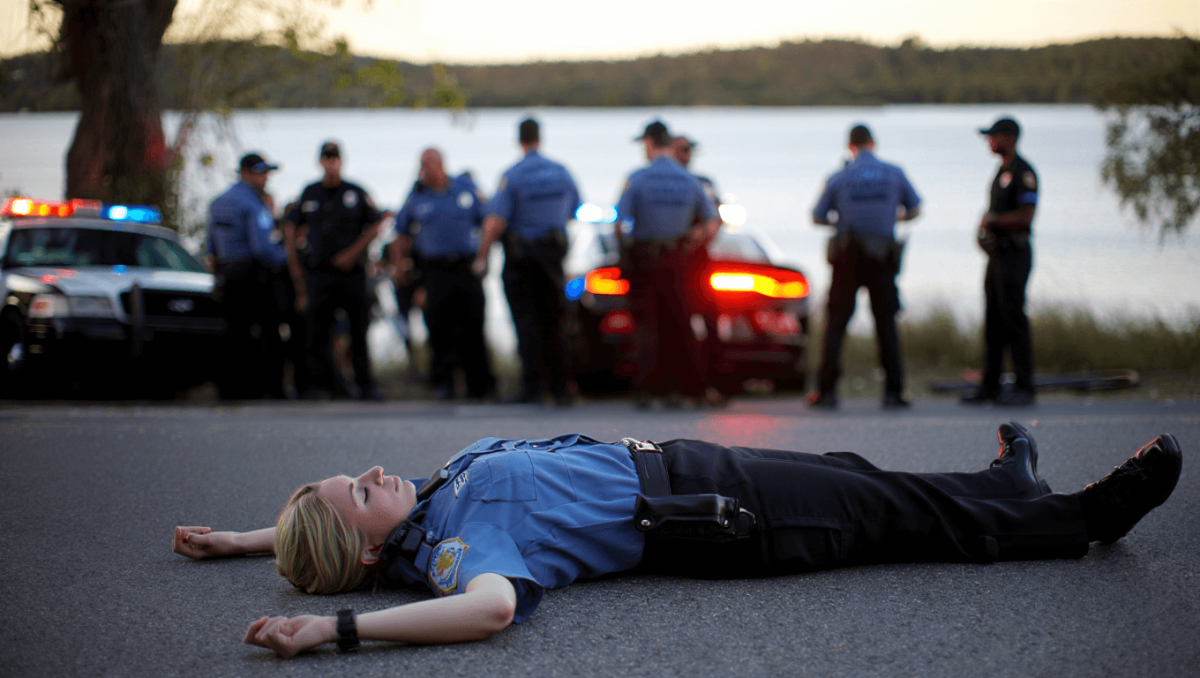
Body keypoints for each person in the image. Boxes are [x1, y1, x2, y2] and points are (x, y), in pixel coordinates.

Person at [172, 422, 1184, 658]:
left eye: (360, 474)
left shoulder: (427, 504)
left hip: (698, 468)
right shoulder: (456, 551)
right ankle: (1079, 523)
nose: (376, 475)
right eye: (362, 495)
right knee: (896, 518)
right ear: (364, 557)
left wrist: (240, 540)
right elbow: (488, 610)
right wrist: (340, 632)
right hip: (726, 519)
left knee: (867, 479)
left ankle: (1007, 484)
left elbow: (325, 536)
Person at [808, 124, 921, 410]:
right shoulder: (894, 172)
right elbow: (915, 208)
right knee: (886, 324)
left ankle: (827, 392)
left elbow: (817, 217)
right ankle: (894, 392)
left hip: (848, 256)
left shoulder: (839, 176)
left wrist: (842, 220)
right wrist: (891, 218)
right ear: (873, 143)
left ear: (851, 146)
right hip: (882, 256)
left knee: (836, 324)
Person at [473, 118, 581, 406]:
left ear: (519, 140)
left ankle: (533, 388)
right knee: (555, 320)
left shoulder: (514, 175)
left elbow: (495, 221)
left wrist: (481, 257)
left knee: (527, 321)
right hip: (553, 255)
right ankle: (562, 388)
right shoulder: (561, 172)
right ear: (540, 138)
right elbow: (573, 210)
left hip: (522, 258)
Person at [616, 120, 723, 408]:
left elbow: (620, 222)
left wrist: (623, 256)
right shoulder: (689, 180)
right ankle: (685, 389)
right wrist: (691, 239)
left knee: (647, 324)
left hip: (645, 258)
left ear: (650, 143)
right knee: (680, 323)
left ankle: (649, 391)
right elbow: (712, 221)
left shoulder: (638, 178)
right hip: (679, 260)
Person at [284, 141, 385, 402]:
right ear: (321, 162)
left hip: (351, 273)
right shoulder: (310, 192)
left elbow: (376, 225)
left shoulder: (355, 192)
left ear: (342, 161)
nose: (331, 163)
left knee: (358, 332)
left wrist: (353, 252)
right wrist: (295, 267)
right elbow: (291, 225)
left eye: (335, 158)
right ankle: (320, 386)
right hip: (320, 274)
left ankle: (365, 385)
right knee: (317, 333)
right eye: (327, 158)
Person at [392, 149, 495, 401]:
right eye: (422, 167)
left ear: (440, 165)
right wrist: (399, 266)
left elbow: (489, 222)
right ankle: (444, 384)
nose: (426, 171)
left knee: (473, 325)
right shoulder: (416, 196)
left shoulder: (465, 188)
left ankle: (479, 386)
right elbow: (400, 233)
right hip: (435, 270)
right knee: (439, 328)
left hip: (466, 267)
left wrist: (483, 257)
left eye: (429, 165)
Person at [962, 117, 1038, 407]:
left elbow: (1026, 216)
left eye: (993, 136)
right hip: (996, 256)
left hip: (1015, 254)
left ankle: (1024, 386)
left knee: (1014, 319)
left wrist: (993, 220)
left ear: (1010, 137)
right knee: (993, 320)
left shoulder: (1023, 172)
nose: (989, 142)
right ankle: (990, 385)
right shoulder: (1001, 172)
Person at [206, 152, 289, 400]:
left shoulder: (219, 202)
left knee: (234, 333)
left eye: (266, 173)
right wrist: (289, 259)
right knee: (268, 332)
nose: (265, 178)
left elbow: (211, 248)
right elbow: (263, 248)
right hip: (253, 275)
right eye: (259, 173)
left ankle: (230, 389)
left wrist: (217, 279)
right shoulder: (252, 204)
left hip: (228, 275)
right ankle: (268, 389)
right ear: (245, 173)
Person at [670, 134, 720, 208]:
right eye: (685, 149)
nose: (689, 153)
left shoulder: (703, 183)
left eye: (690, 149)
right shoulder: (661, 182)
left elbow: (715, 206)